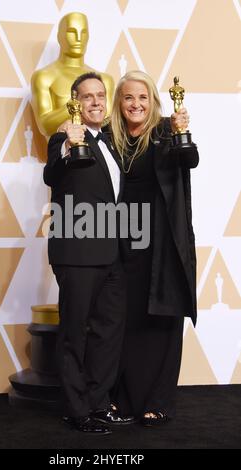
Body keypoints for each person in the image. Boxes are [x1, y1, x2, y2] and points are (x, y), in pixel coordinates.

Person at [43, 72, 134, 434]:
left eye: (101, 95)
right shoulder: (62, 137)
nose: (96, 102)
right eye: (87, 97)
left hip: (112, 254)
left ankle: (98, 403)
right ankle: (75, 409)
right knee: (75, 333)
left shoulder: (112, 142)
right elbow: (52, 175)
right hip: (77, 252)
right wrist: (68, 145)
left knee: (108, 333)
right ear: (74, 103)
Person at [110, 71, 199, 425]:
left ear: (153, 101)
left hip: (162, 241)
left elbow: (189, 159)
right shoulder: (110, 137)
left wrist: (181, 131)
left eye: (143, 98)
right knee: (125, 318)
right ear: (120, 102)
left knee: (163, 315)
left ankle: (159, 400)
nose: (136, 104)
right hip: (123, 240)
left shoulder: (165, 130)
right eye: (129, 98)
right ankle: (124, 398)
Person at [31, 12, 114, 137]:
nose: (79, 38)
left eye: (83, 32)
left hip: (100, 153)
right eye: (71, 32)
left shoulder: (105, 80)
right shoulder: (44, 77)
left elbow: (108, 123)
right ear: (60, 36)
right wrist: (77, 105)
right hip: (62, 152)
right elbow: (45, 126)